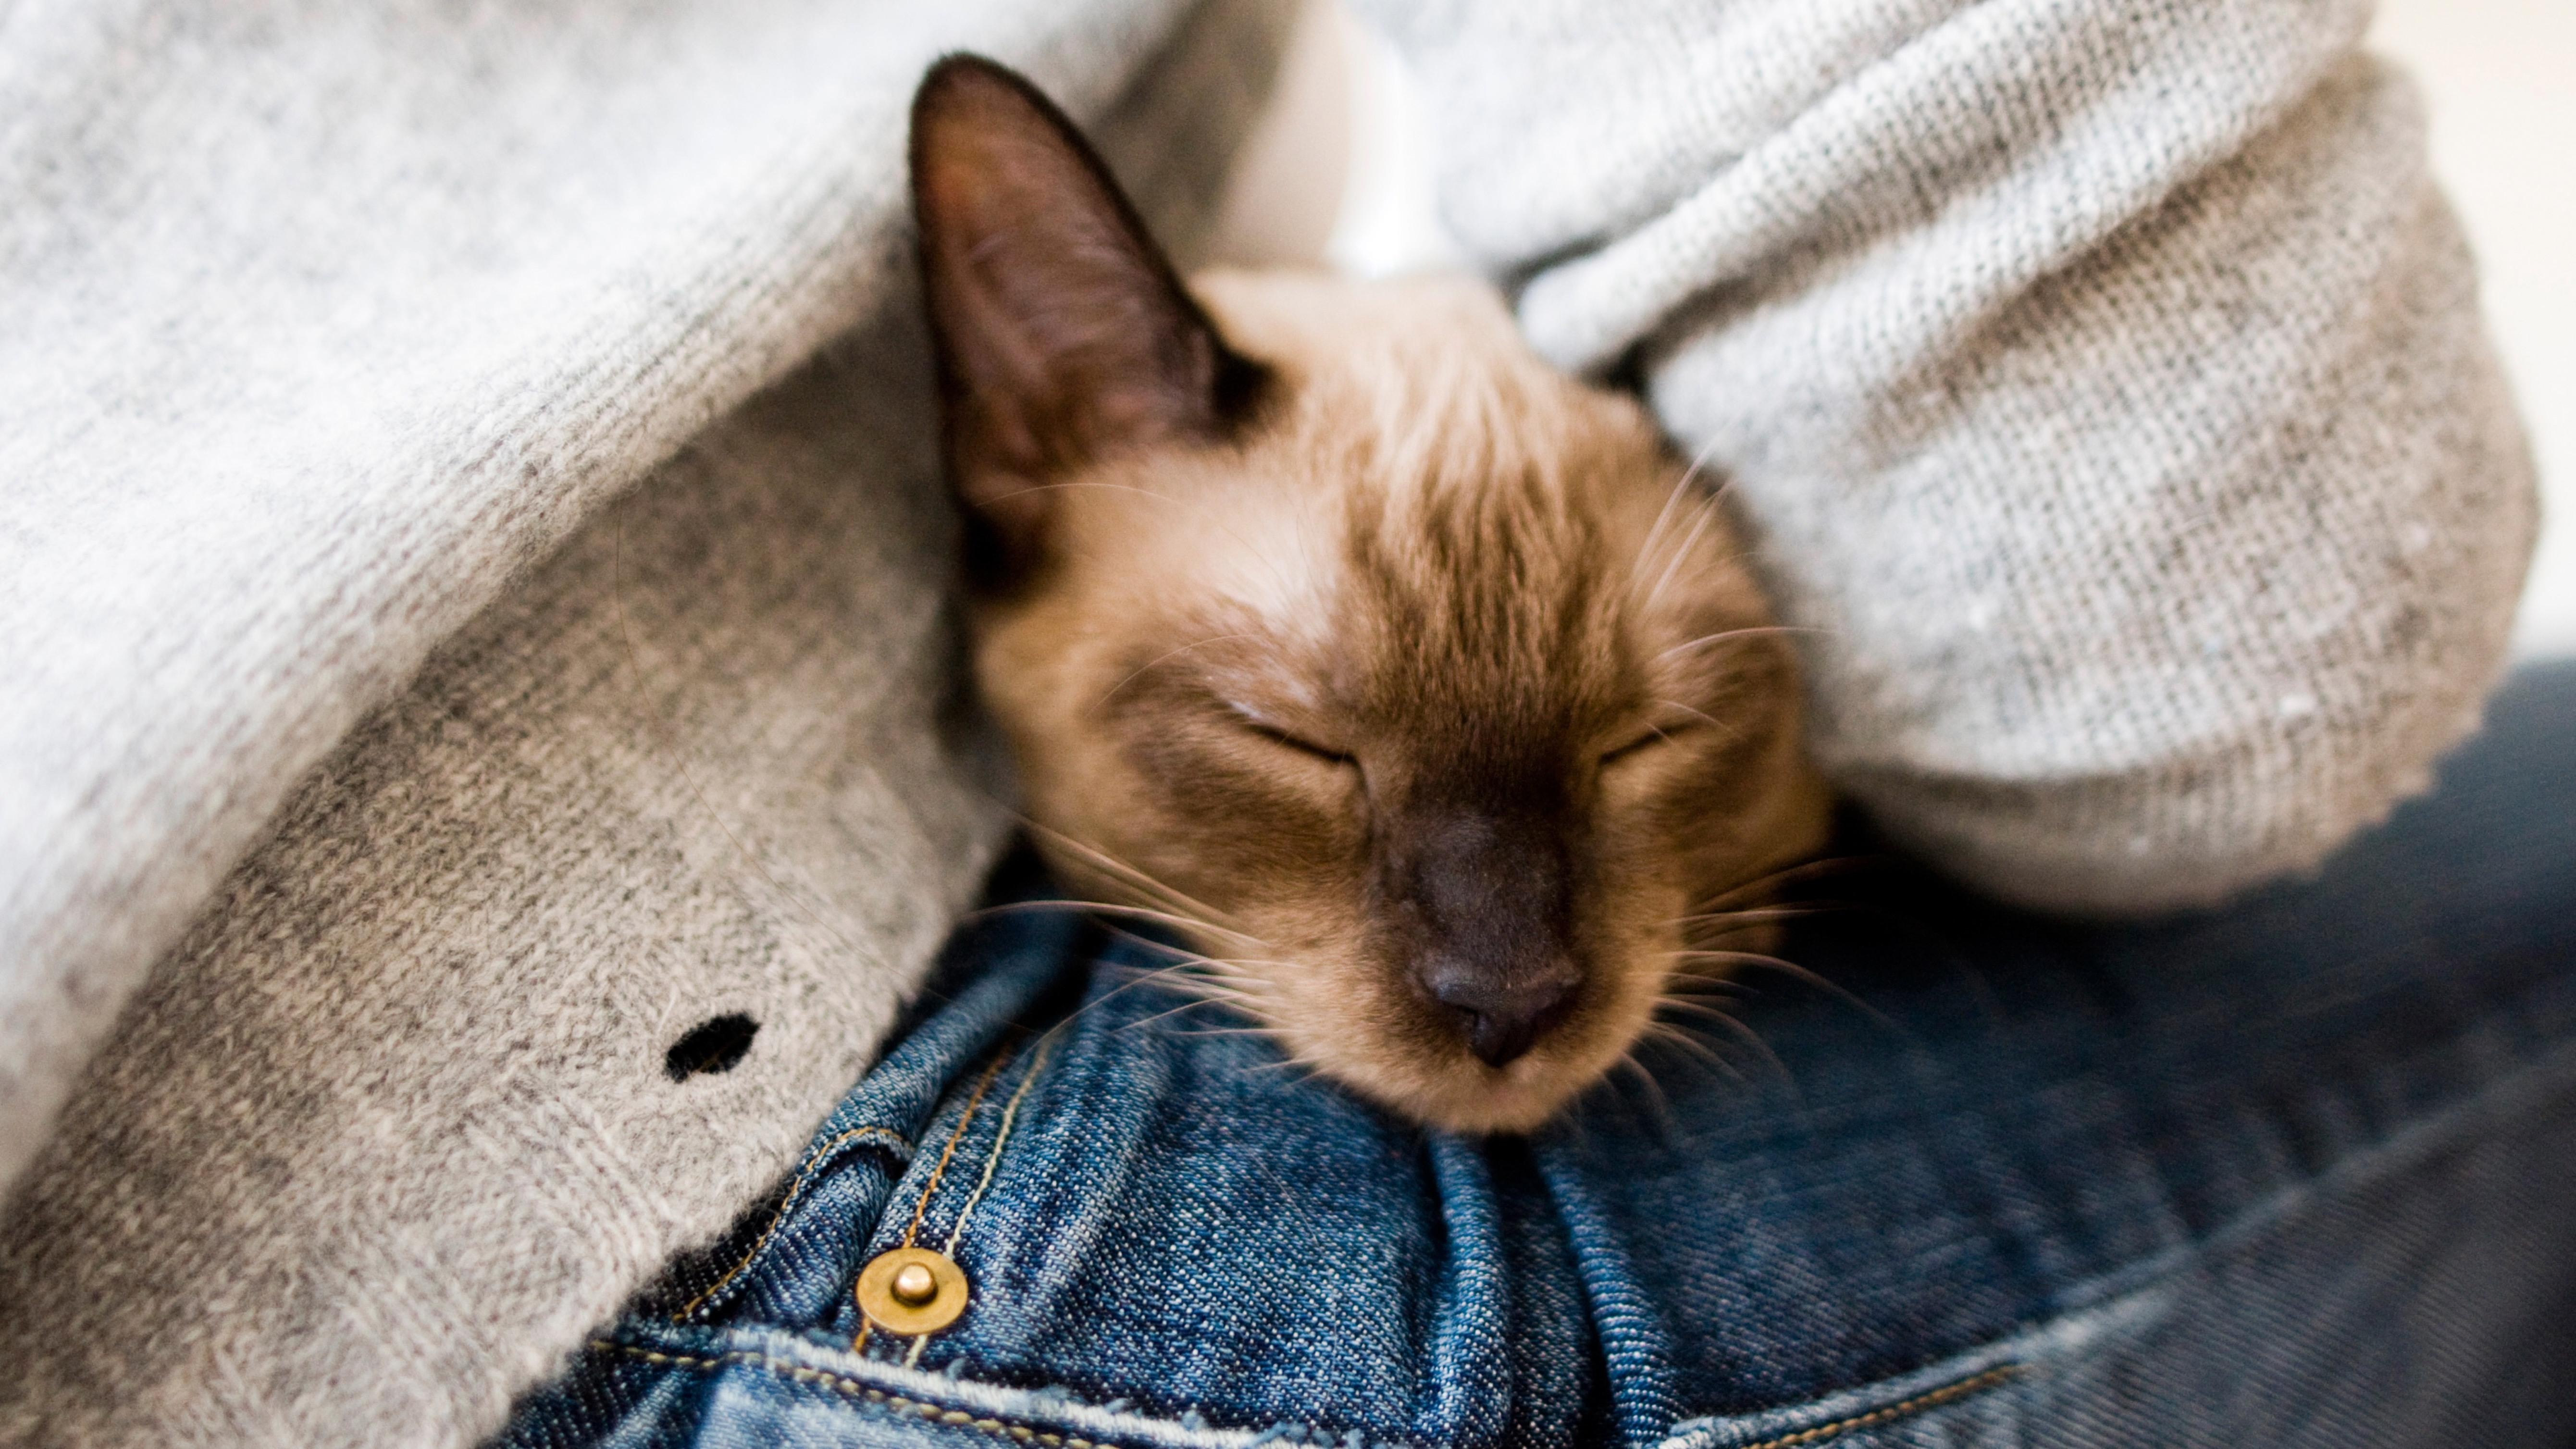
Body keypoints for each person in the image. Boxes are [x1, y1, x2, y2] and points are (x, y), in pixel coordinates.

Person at [0, 0, 2555, 1444]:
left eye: (1637, 756)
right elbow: (2244, 641)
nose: (1511, 965)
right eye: (1311, 761)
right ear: (1025, 416)